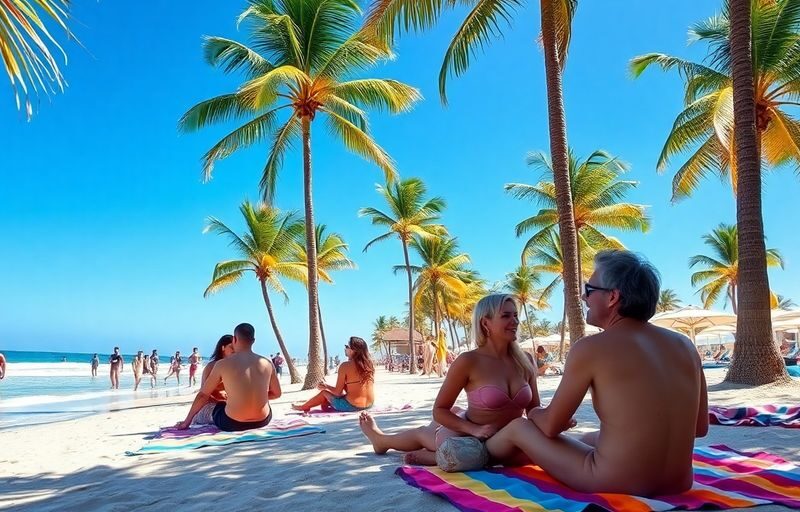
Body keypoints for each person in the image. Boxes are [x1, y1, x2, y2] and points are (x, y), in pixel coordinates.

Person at [485, 250, 709, 496]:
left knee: (519, 428)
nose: (583, 296)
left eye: (589, 290)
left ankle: (479, 450)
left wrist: (536, 412)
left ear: (613, 297)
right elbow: (700, 428)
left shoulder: (591, 348)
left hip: (617, 482)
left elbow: (550, 426)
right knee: (591, 437)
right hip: (680, 482)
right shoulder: (685, 345)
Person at [359, 294, 540, 465]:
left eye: (516, 315)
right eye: (506, 316)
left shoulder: (525, 360)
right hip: (466, 435)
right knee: (426, 436)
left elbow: (534, 409)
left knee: (500, 457)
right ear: (485, 323)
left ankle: (432, 456)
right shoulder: (468, 361)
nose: (515, 321)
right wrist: (473, 429)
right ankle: (381, 440)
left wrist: (555, 419)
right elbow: (439, 410)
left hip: (506, 439)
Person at [176, 323, 281, 432]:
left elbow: (203, 395)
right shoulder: (267, 363)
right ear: (253, 340)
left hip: (232, 423)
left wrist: (186, 422)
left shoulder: (222, 364)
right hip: (262, 421)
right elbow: (277, 393)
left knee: (211, 410)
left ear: (235, 339)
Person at [292, 337, 375, 413]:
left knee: (324, 393)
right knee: (325, 404)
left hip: (353, 406)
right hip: (369, 404)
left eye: (347, 346)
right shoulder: (369, 365)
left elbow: (338, 392)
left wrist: (326, 386)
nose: (345, 349)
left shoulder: (345, 366)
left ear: (353, 350)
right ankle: (308, 405)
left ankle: (303, 407)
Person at [176, 335, 235, 426]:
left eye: (236, 348)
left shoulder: (235, 366)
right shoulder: (212, 366)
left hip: (226, 405)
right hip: (211, 405)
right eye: (231, 347)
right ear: (223, 347)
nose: (234, 350)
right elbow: (203, 394)